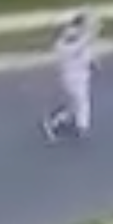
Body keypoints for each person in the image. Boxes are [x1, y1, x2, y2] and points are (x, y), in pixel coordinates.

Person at [43, 10, 99, 142]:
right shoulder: (65, 44)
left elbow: (87, 53)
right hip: (72, 78)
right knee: (82, 102)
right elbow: (82, 44)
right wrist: (92, 30)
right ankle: (80, 127)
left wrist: (94, 64)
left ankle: (57, 120)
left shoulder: (77, 39)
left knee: (75, 104)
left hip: (79, 77)